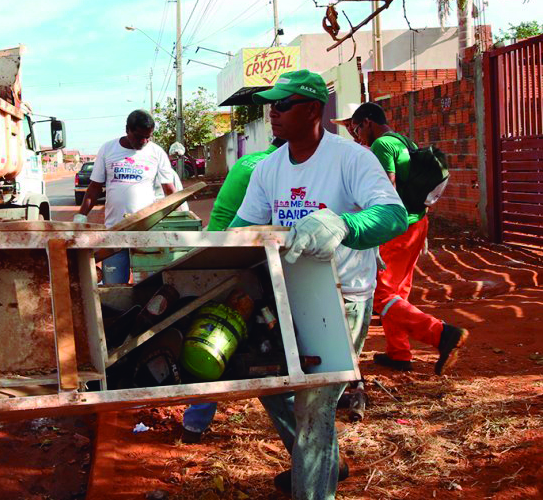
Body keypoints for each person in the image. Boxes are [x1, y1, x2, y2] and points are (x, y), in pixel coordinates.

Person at [214, 70, 408, 499]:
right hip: (287, 296)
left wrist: (344, 224)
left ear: (313, 110)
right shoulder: (269, 168)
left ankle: (316, 486)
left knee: (316, 407)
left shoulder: (350, 158)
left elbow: (392, 215)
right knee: (270, 385)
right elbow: (243, 231)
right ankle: (324, 464)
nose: (272, 112)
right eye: (271, 104)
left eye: (282, 104)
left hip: (341, 299)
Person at [180, 135, 287, 442]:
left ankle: (194, 424)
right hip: (233, 261)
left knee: (224, 329)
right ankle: (196, 420)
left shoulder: (251, 160)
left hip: (224, 254)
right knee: (224, 332)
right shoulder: (269, 168)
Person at [350, 102, 468, 374]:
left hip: (397, 229)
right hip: (418, 223)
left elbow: (385, 189)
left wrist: (372, 228)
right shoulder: (403, 140)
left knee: (380, 294)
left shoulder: (381, 145)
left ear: (368, 122)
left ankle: (440, 335)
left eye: (357, 129)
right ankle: (399, 352)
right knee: (397, 291)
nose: (357, 136)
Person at [74, 109, 176, 283]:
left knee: (148, 285)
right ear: (127, 129)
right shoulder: (108, 149)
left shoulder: (157, 153)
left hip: (146, 230)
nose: (144, 141)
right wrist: (82, 214)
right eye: (139, 137)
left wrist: (178, 216)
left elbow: (169, 189)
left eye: (148, 137)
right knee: (113, 285)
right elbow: (95, 186)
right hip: (115, 231)